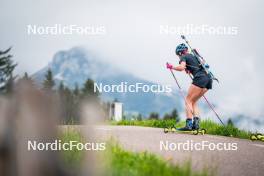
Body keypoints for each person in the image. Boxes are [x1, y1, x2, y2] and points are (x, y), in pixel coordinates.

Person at [166, 43, 212, 131]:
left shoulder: (184, 57)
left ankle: (189, 125)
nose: (179, 57)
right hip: (209, 79)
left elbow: (181, 67)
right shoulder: (194, 56)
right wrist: (189, 70)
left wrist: (172, 67)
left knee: (188, 100)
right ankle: (196, 125)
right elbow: (195, 66)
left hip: (200, 78)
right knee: (193, 101)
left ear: (180, 53)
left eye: (178, 55)